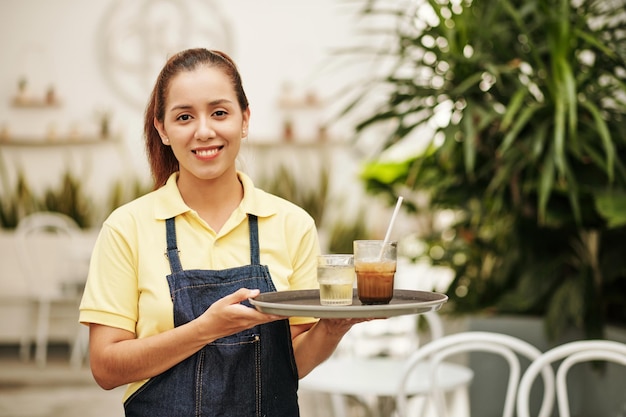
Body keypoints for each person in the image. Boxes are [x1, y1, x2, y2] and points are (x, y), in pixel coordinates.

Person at [79, 48, 361, 416]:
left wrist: (333, 329)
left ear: (244, 119)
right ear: (161, 129)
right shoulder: (126, 228)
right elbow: (105, 366)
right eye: (184, 116)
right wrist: (205, 329)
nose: (204, 131)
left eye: (220, 112)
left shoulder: (293, 224)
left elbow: (293, 364)